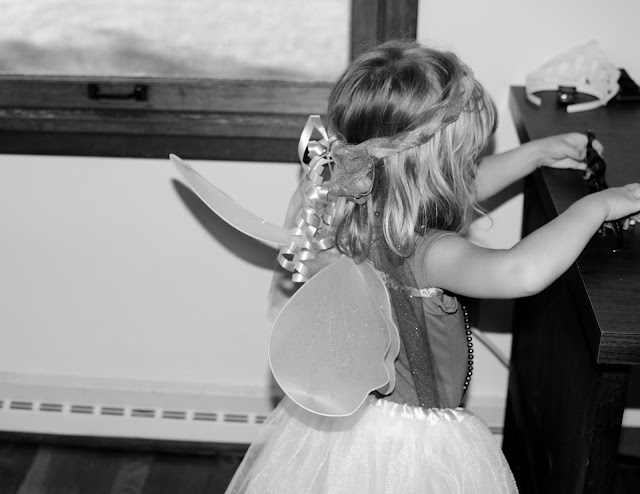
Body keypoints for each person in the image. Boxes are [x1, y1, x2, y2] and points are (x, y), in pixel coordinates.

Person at [222, 40, 640, 493]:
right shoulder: (430, 252)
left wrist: (537, 153)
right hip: (414, 451)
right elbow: (522, 273)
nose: (471, 168)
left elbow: (459, 187)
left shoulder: (352, 203)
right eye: (465, 159)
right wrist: (597, 206)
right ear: (431, 170)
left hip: (356, 429)